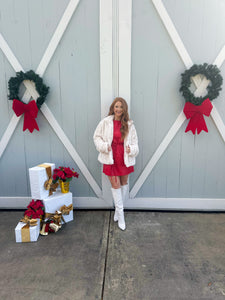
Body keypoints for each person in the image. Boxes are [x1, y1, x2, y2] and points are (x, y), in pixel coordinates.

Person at [93, 97, 139, 230]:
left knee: (124, 184)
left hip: (124, 158)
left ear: (124, 109)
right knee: (115, 185)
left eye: (121, 107)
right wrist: (104, 146)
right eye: (116, 107)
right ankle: (122, 216)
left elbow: (136, 143)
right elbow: (96, 137)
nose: (118, 109)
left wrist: (132, 149)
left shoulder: (130, 124)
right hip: (110, 158)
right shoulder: (105, 122)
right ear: (113, 108)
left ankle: (118, 212)